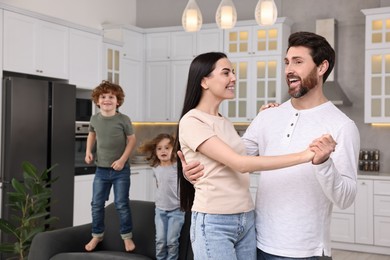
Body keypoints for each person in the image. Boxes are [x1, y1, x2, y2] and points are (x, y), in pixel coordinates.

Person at [179, 32, 361, 260]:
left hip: (305, 250)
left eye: (298, 62)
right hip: (256, 239)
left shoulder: (342, 126)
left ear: (322, 67)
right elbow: (235, 159)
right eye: (286, 62)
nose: (288, 70)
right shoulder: (269, 116)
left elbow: (345, 198)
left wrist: (323, 163)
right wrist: (195, 170)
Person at [84, 80, 137, 252]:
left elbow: (132, 140)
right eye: (103, 96)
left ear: (118, 101)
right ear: (97, 101)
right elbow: (91, 134)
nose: (107, 99)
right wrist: (88, 151)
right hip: (101, 169)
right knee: (96, 204)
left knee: (121, 204)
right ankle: (97, 235)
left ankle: (127, 237)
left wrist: (122, 160)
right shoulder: (94, 118)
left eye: (111, 97)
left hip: (120, 170)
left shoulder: (123, 119)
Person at [138, 133, 185, 260]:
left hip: (176, 210)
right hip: (160, 210)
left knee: (171, 242)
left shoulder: (178, 167)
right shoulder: (156, 168)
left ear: (173, 150)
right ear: (155, 151)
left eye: (167, 148)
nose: (163, 151)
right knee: (160, 241)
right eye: (159, 148)